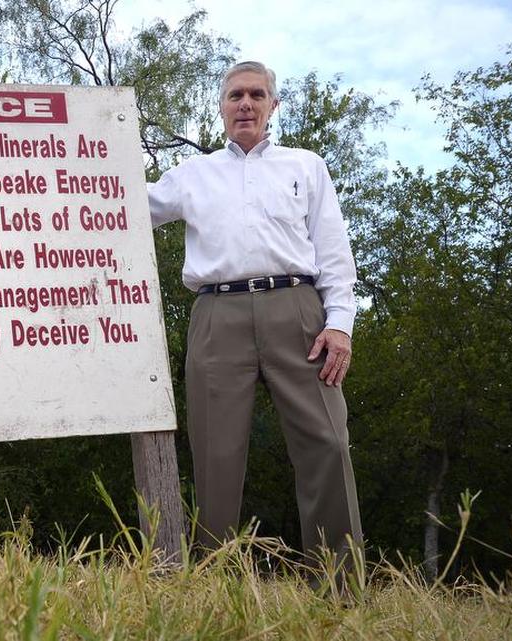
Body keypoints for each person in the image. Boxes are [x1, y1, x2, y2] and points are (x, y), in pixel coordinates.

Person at [148, 61, 363, 565]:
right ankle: (215, 581)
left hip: (299, 312)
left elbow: (333, 250)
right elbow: (124, 208)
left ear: (273, 105)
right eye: (236, 95)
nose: (245, 103)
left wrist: (340, 324)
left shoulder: (305, 165)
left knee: (327, 445)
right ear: (221, 107)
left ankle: (338, 584)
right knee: (215, 454)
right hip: (216, 316)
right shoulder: (191, 175)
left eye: (257, 95)